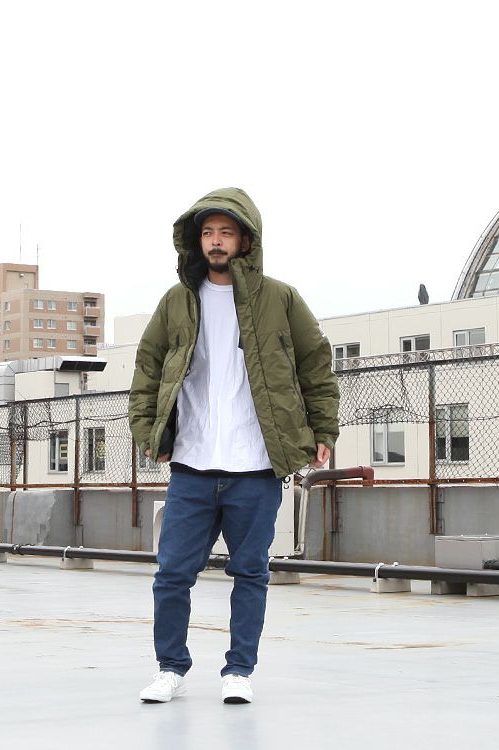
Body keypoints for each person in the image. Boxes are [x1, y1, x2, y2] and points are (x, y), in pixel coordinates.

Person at [128, 187, 340, 704]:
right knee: (172, 573)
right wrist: (147, 431)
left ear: (246, 239)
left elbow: (316, 366)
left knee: (250, 573)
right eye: (207, 232)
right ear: (196, 240)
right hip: (192, 465)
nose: (216, 241)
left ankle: (239, 670)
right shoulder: (177, 301)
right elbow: (147, 367)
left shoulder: (280, 299)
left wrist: (323, 430)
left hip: (256, 465)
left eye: (226, 232)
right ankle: (170, 668)